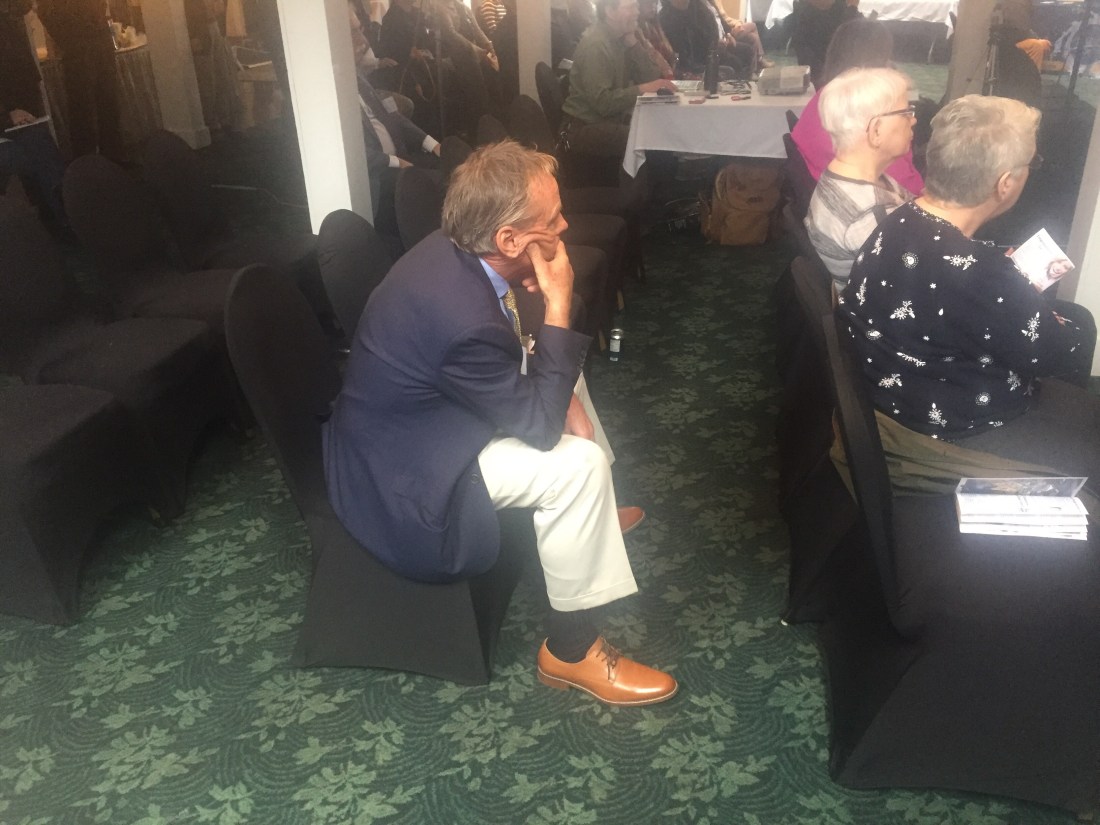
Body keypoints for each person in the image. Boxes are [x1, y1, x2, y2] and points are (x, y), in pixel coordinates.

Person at [324, 140, 677, 706]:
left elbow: (520, 346)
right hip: (407, 476)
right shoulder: (459, 318)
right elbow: (538, 426)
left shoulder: (455, 248)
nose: (565, 225)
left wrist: (552, 353)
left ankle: (591, 522)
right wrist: (557, 304)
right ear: (509, 239)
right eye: (552, 219)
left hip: (421, 420)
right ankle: (570, 653)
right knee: (577, 466)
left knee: (562, 373)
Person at [839, 95, 1099, 509]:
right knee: (1079, 331)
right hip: (946, 430)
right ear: (1005, 183)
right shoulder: (981, 274)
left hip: (894, 392)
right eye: (1031, 163)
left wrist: (1007, 284)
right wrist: (1023, 295)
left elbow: (948, 284)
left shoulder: (899, 218)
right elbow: (1055, 353)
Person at [804, 67, 914, 292]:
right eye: (906, 113)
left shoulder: (842, 177)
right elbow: (909, 286)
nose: (913, 120)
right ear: (876, 131)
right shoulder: (870, 215)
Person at [791, 18, 923, 195]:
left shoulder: (828, 95)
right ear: (877, 62)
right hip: (862, 198)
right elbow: (907, 188)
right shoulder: (866, 115)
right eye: (886, 57)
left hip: (828, 192)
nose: (890, 65)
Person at [560, 0, 674, 161]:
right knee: (652, 139)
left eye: (636, 6)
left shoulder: (621, 39)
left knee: (661, 129)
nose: (637, 12)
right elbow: (603, 104)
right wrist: (642, 89)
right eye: (630, 7)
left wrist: (634, 44)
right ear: (610, 12)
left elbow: (652, 77)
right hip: (584, 128)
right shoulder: (597, 45)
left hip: (608, 120)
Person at [0, 0, 66, 228]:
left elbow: (24, 6)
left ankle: (62, 214)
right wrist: (6, 118)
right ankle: (60, 216)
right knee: (33, 151)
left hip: (16, 85)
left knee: (39, 141)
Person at [37, 0, 124, 159]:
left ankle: (114, 156)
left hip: (99, 39)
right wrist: (68, 39)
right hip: (77, 46)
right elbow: (45, 11)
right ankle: (87, 161)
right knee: (82, 107)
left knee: (109, 101)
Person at [658, 0, 753, 77]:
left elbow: (712, 34)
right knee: (730, 69)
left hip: (708, 54)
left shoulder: (700, 8)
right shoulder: (665, 18)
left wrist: (716, 45)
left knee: (740, 57)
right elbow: (680, 54)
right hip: (689, 64)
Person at [790, 0, 861, 88]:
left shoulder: (843, 10)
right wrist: (852, 9)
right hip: (820, 76)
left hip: (842, 75)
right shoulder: (803, 18)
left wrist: (852, 9)